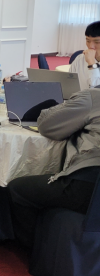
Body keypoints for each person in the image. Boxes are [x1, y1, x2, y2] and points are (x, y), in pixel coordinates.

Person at [8, 88, 100, 248]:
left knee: (17, 189)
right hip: (92, 187)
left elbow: (47, 125)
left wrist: (60, 107)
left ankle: (32, 250)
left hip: (89, 185)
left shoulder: (92, 97)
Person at [68, 21, 100, 90]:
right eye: (88, 41)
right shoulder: (80, 59)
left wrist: (91, 63)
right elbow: (69, 83)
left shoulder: (88, 60)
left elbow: (97, 90)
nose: (91, 46)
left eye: (97, 42)